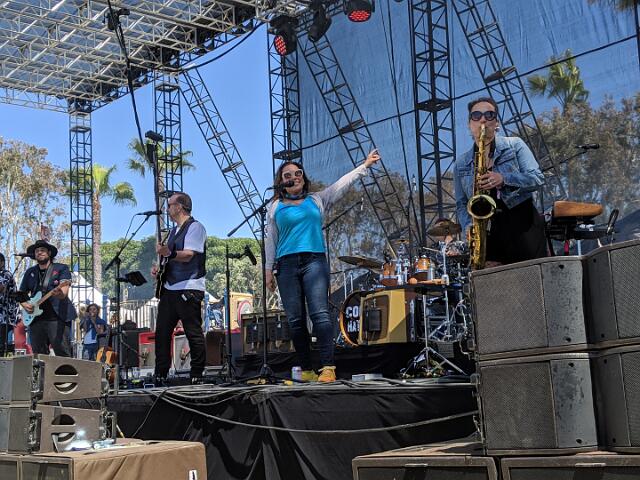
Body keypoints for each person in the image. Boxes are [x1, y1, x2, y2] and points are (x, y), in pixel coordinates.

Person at [265, 150, 382, 382]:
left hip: (314, 262)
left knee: (319, 314)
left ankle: (328, 367)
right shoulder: (275, 207)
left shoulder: (316, 199)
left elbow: (341, 184)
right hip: (286, 265)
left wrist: (365, 166)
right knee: (295, 320)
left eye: (298, 173)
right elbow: (271, 240)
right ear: (281, 182)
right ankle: (307, 370)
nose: (294, 177)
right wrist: (268, 270)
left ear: (303, 177)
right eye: (288, 175)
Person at [453, 97, 546, 267]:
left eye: (489, 115)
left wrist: (504, 179)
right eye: (476, 115)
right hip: (488, 235)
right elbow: (461, 203)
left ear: (496, 123)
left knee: (531, 280)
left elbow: (537, 178)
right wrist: (468, 227)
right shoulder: (460, 164)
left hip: (523, 227)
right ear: (469, 124)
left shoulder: (515, 145)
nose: (483, 119)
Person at [153, 192, 207, 384]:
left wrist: (168, 252)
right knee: (162, 332)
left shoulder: (195, 227)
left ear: (180, 207)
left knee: (192, 331)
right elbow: (170, 258)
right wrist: (159, 269)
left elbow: (189, 254)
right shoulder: (172, 231)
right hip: (170, 287)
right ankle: (160, 373)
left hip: (189, 286)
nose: (167, 209)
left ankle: (197, 373)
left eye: (170, 205)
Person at [19, 240, 76, 356]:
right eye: (37, 251)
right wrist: (25, 305)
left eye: (42, 250)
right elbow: (21, 293)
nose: (39, 252)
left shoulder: (61, 268)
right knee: (38, 356)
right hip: (36, 319)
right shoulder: (30, 272)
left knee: (62, 354)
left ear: (49, 253)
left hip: (57, 318)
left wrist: (58, 293)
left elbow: (64, 293)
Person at [0, 253, 17, 355]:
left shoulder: (6, 274)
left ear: (2, 263)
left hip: (4, 317)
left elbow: (2, 288)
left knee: (2, 346)